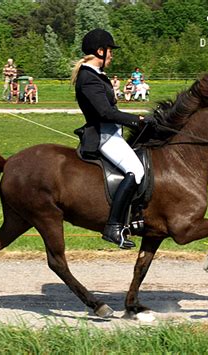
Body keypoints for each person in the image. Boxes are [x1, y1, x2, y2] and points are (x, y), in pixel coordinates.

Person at [71, 29, 155, 249]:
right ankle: (114, 226)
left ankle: (136, 216)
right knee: (136, 171)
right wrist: (136, 120)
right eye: (110, 52)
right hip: (103, 136)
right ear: (100, 51)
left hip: (112, 132)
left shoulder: (96, 75)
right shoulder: (88, 78)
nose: (112, 56)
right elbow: (105, 113)